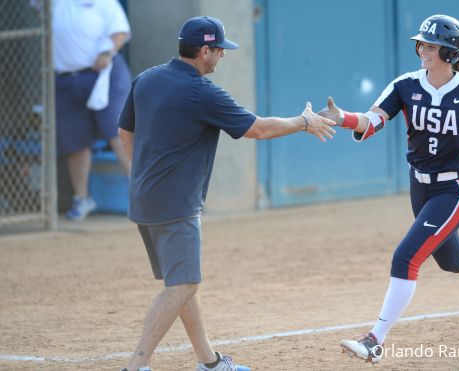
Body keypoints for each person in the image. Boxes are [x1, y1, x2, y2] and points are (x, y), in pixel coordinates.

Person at [117, 16, 335, 371]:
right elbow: (258, 129)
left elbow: (125, 132)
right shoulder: (201, 92)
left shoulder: (146, 79)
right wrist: (303, 122)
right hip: (175, 205)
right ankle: (136, 363)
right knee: (184, 284)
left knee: (181, 282)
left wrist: (143, 176)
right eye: (219, 50)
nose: (221, 56)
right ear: (204, 51)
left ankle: (210, 362)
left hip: (145, 198)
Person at [317, 14, 459, 364]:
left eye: (431, 46)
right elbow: (373, 122)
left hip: (454, 190)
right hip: (420, 187)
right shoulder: (405, 85)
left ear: (450, 52)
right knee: (451, 260)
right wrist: (343, 118)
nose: (422, 50)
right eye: (422, 44)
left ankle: (374, 340)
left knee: (405, 257)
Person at [52, 0, 132, 221]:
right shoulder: (51, 3)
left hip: (105, 74)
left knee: (118, 131)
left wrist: (107, 52)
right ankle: (82, 198)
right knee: (74, 141)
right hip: (66, 79)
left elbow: (120, 31)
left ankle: (140, 193)